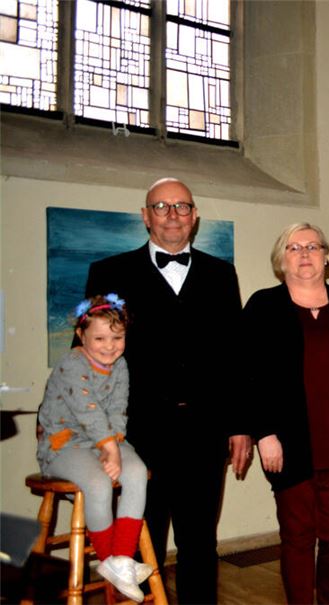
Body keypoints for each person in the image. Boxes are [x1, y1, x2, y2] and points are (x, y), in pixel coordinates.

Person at [84, 177, 251, 604]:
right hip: (137, 434)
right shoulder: (110, 273)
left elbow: (233, 356)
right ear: (145, 216)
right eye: (161, 207)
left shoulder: (220, 273)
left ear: (194, 217)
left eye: (181, 206)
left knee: (200, 543)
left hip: (205, 432)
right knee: (142, 542)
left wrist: (240, 426)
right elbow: (89, 359)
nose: (172, 215)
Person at [243, 223, 329, 604]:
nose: (304, 254)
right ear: (281, 260)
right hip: (287, 443)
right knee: (298, 538)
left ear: (326, 256)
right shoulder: (262, 306)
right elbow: (247, 375)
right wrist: (263, 432)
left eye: (312, 246)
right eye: (294, 247)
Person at [37, 294, 151, 602]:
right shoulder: (72, 363)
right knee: (99, 483)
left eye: (117, 337)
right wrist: (109, 450)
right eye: (99, 338)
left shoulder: (121, 365)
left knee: (138, 472)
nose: (109, 345)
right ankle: (107, 560)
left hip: (104, 439)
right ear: (80, 335)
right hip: (64, 443)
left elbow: (116, 410)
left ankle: (123, 560)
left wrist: (112, 445)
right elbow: (87, 409)